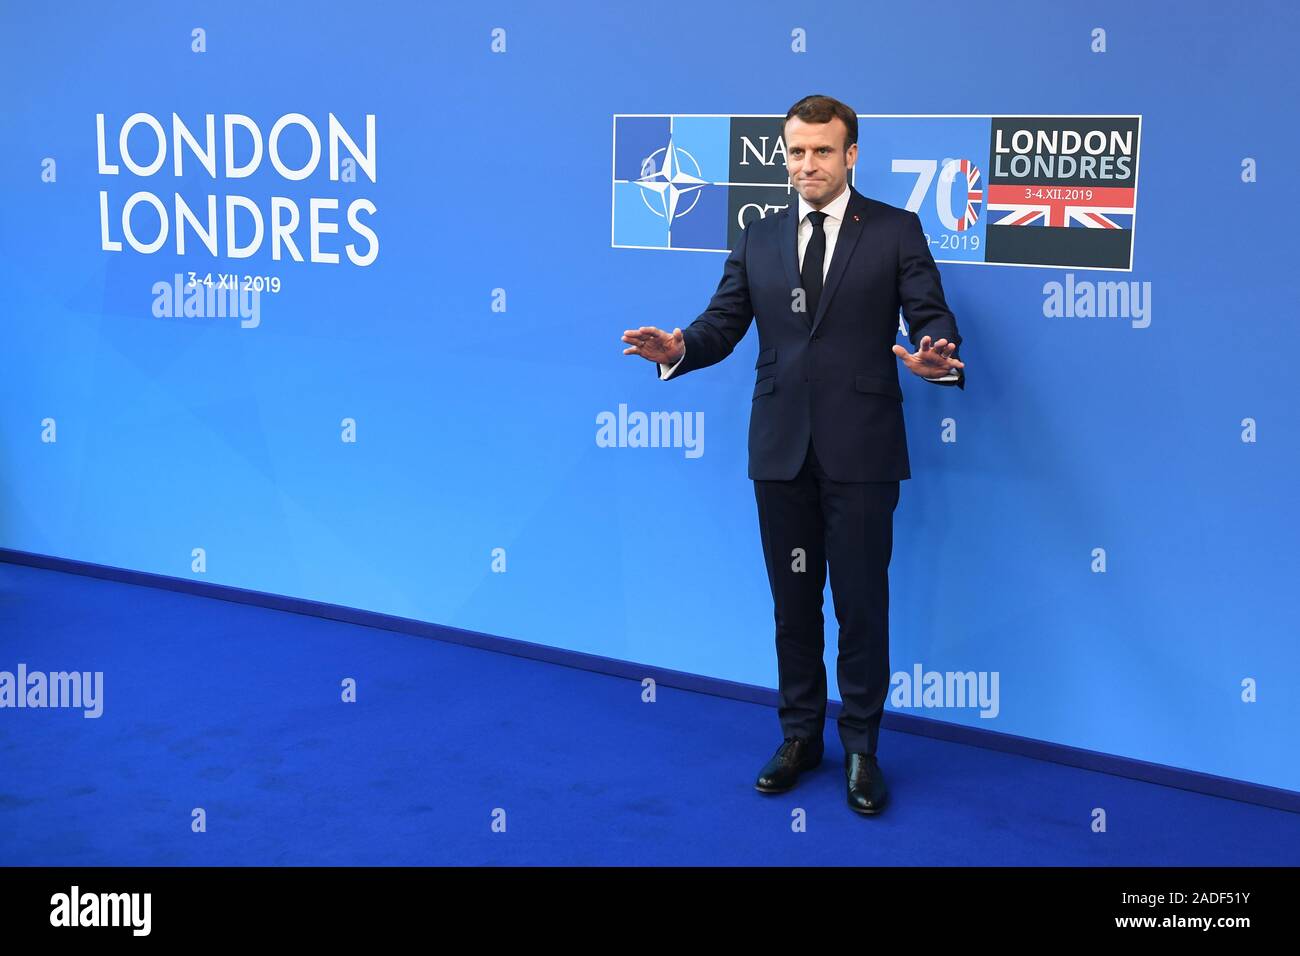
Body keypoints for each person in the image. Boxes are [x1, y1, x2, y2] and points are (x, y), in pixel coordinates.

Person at [622, 94, 966, 816]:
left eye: (821, 150)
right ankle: (800, 737)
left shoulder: (896, 230)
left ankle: (864, 749)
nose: (806, 163)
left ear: (851, 156)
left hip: (864, 450)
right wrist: (680, 348)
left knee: (862, 606)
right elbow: (723, 323)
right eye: (796, 151)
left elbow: (929, 313)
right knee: (792, 604)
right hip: (780, 449)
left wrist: (940, 355)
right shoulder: (759, 237)